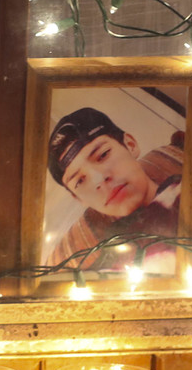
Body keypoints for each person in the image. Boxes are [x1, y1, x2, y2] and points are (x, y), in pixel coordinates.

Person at [44, 106, 183, 270]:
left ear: (130, 145)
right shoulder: (104, 265)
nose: (99, 179)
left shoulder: (188, 190)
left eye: (103, 155)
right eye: (80, 181)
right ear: (78, 198)